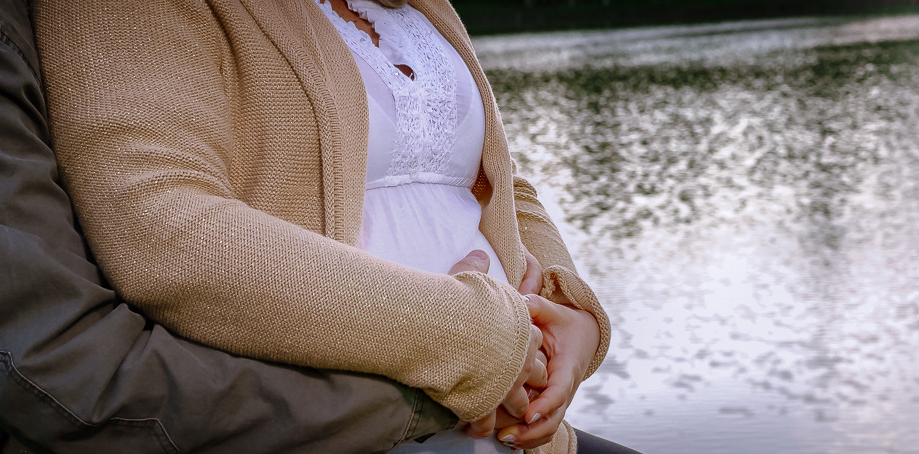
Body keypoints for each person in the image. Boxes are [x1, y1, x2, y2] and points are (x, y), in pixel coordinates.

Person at [0, 0, 543, 452]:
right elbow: (69, 364)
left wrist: (564, 315)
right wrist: (455, 369)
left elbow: (488, 175)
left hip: (502, 411)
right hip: (382, 419)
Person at [34, 0, 631, 453]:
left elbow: (498, 183)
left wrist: (568, 315)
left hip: (516, 435)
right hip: (342, 432)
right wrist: (471, 339)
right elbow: (162, 229)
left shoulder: (424, 8)